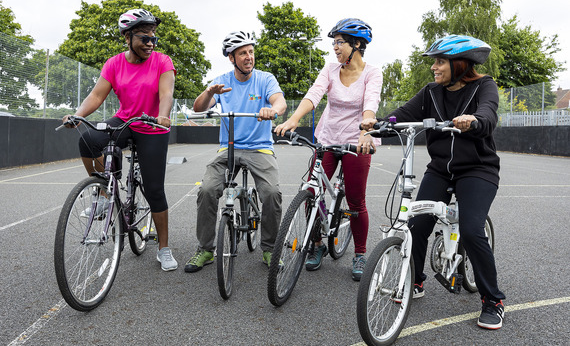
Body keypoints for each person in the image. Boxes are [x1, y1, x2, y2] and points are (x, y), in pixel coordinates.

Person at [361, 34, 506, 329]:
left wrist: (474, 120)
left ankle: (493, 300)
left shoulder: (484, 86)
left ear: (459, 64)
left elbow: (488, 114)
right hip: (441, 169)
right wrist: (379, 125)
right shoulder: (431, 92)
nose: (434, 68)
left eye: (440, 62)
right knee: (415, 225)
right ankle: (415, 281)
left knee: (470, 229)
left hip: (478, 169)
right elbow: (402, 114)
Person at [62, 8, 178, 271]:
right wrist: (77, 115)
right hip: (125, 119)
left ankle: (164, 248)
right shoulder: (114, 63)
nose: (150, 43)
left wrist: (162, 115)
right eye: (144, 38)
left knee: (155, 190)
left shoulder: (162, 61)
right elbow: (96, 96)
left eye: (153, 38)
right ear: (127, 37)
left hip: (152, 124)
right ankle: (104, 193)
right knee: (88, 140)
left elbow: (167, 93)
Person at [275, 18, 381, 281]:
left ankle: (359, 253)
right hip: (328, 138)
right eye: (333, 43)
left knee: (356, 201)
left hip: (357, 142)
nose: (335, 48)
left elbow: (371, 104)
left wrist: (365, 133)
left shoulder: (372, 73)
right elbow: (314, 94)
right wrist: (293, 119)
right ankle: (318, 243)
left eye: (340, 42)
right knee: (312, 191)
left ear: (357, 44)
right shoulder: (331, 69)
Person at [184, 31, 287, 272]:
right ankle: (206, 249)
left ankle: (270, 249)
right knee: (207, 189)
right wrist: (210, 93)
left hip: (260, 149)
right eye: (243, 53)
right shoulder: (222, 81)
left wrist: (273, 110)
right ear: (232, 58)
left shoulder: (265, 79)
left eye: (251, 52)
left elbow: (279, 102)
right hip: (228, 148)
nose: (249, 57)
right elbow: (198, 108)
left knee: (271, 193)